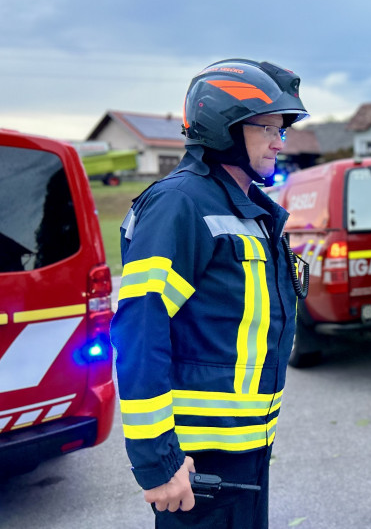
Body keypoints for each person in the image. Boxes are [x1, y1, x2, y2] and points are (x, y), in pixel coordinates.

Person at [110, 58, 309, 528]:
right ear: (224, 127)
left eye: (283, 130)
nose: (280, 142)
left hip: (247, 447)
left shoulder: (249, 210)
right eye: (268, 128)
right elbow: (140, 334)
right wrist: (159, 464)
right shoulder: (180, 203)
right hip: (196, 460)